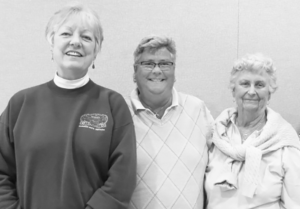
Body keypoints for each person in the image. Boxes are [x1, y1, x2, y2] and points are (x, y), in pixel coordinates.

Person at [0, 3, 136, 209]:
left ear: (96, 50)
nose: (76, 42)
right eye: (66, 34)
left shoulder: (112, 104)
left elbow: (121, 180)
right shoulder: (21, 104)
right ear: (52, 43)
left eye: (86, 37)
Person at [126, 35, 214, 209]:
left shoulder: (197, 109)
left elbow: (220, 167)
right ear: (134, 73)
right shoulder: (119, 113)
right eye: (148, 63)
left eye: (165, 64)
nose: (157, 70)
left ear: (174, 72)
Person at [205, 53, 300, 208]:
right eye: (245, 83)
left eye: (259, 85)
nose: (251, 91)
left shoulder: (285, 142)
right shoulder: (215, 136)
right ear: (233, 90)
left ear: (269, 92)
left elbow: (295, 203)